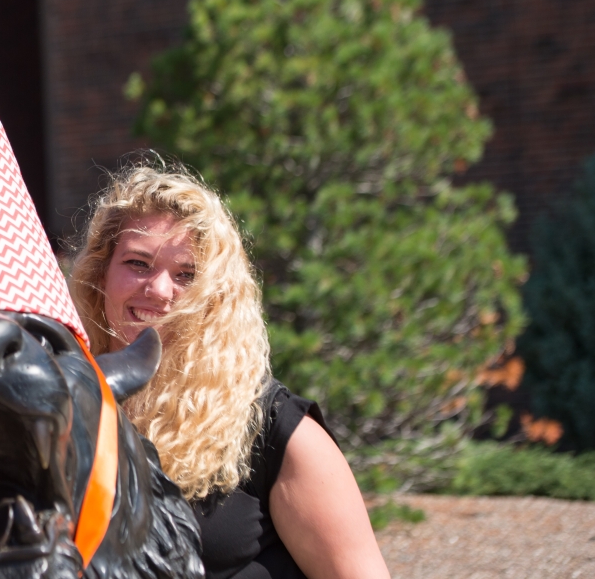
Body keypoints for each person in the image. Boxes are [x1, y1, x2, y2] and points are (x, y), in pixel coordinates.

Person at [70, 165, 390, 579]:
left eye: (186, 274)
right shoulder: (64, 406)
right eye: (138, 263)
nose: (159, 290)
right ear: (100, 272)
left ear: (215, 295)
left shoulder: (275, 431)